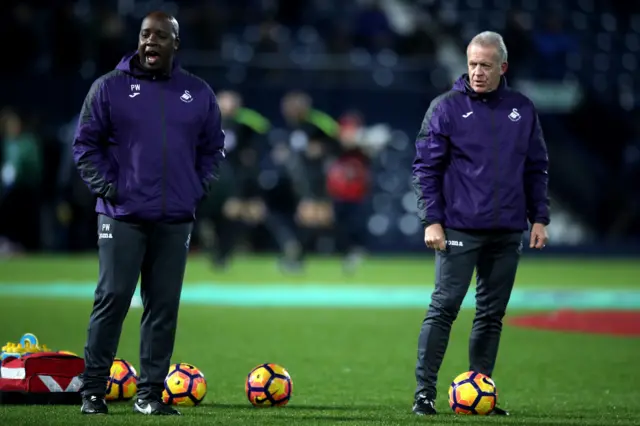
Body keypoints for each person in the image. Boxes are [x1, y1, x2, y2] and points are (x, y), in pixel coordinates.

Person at [72, 11, 225, 416]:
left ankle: (150, 394)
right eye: (145, 34)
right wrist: (112, 189)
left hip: (175, 218)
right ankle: (92, 391)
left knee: (163, 307)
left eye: (160, 35)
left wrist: (196, 188)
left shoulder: (198, 92)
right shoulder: (108, 88)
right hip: (121, 215)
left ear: (176, 43)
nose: (150, 42)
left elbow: (213, 148)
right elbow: (85, 145)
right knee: (113, 298)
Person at [411, 31, 550, 416]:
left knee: (491, 314)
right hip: (458, 227)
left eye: (485, 65)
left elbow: (536, 167)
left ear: (502, 67)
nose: (477, 72)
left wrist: (539, 217)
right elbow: (425, 168)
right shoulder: (446, 108)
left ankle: (479, 392)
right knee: (445, 307)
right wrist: (432, 220)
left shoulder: (522, 109)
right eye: (472, 64)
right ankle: (424, 395)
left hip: (507, 231)